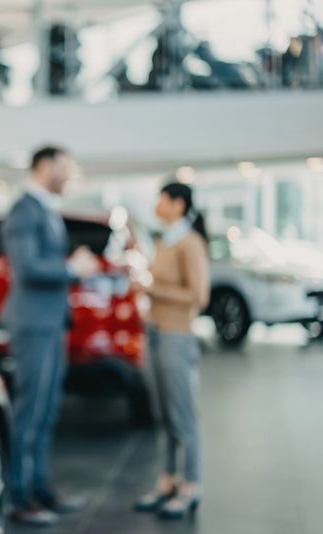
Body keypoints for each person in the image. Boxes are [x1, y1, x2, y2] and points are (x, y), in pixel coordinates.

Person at [0, 146, 100, 526]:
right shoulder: (24, 209)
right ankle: (18, 496)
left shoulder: (44, 207)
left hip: (52, 322)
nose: (69, 173)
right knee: (30, 412)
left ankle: (39, 488)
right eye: (65, 167)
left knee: (47, 411)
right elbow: (28, 267)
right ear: (45, 166)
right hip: (33, 323)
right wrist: (73, 268)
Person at [132, 181, 209, 520]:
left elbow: (199, 296)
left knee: (183, 414)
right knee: (163, 412)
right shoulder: (166, 240)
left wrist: (153, 289)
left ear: (178, 204)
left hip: (177, 335)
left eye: (161, 200)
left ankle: (190, 484)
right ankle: (167, 480)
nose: (156, 206)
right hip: (156, 332)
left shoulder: (190, 243)